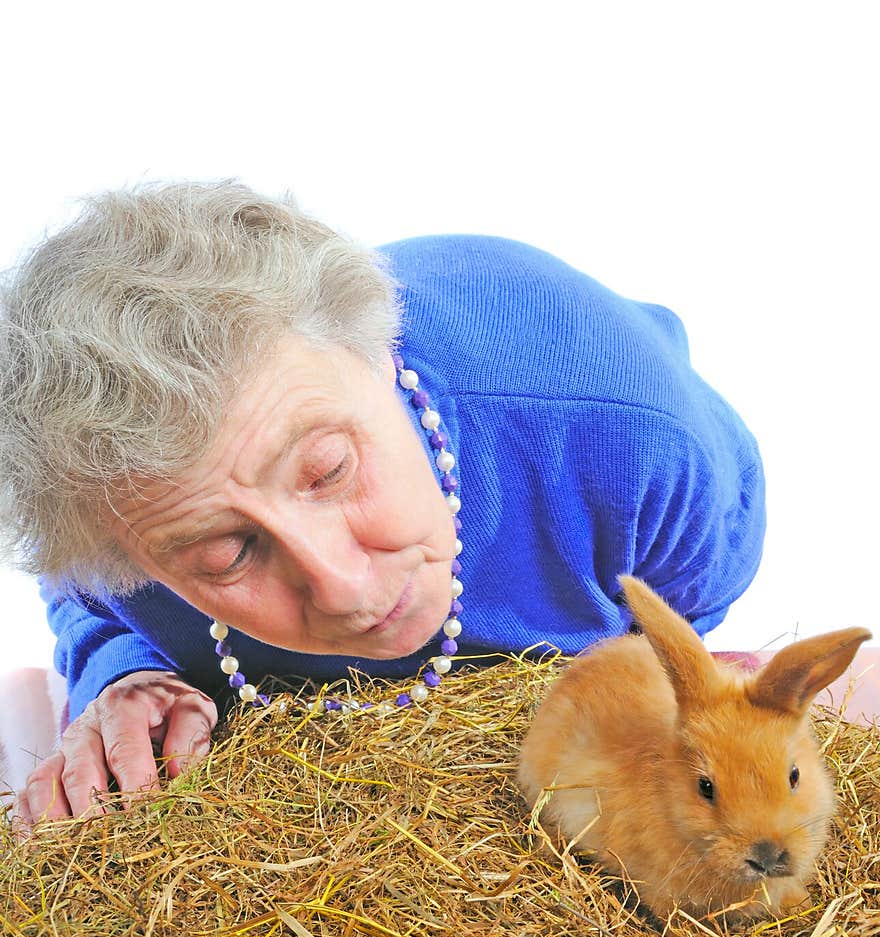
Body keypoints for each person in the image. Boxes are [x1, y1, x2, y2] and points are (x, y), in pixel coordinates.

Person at [0, 179, 766, 829]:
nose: (344, 587)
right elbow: (88, 593)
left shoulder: (629, 441)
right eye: (227, 555)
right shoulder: (121, 531)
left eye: (329, 470)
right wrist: (126, 672)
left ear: (379, 353)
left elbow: (688, 604)